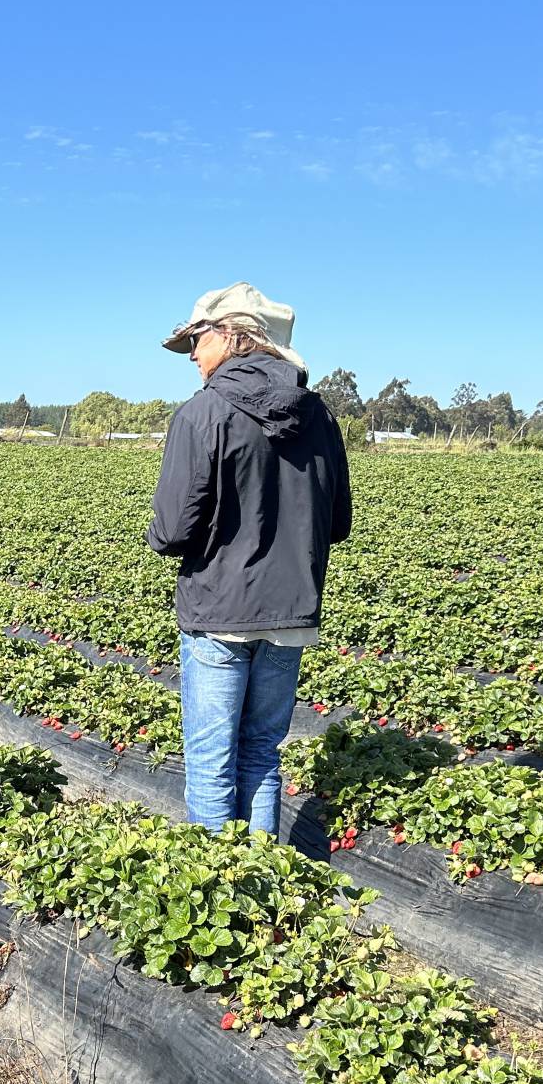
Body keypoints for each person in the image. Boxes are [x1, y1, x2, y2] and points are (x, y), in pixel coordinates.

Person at [147, 283, 352, 836]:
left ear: (233, 336)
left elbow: (170, 532)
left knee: (212, 762)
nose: (191, 354)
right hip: (291, 616)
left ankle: (220, 889)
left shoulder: (203, 413)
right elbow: (337, 524)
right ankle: (264, 885)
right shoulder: (322, 419)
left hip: (219, 611)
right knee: (261, 752)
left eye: (196, 339)